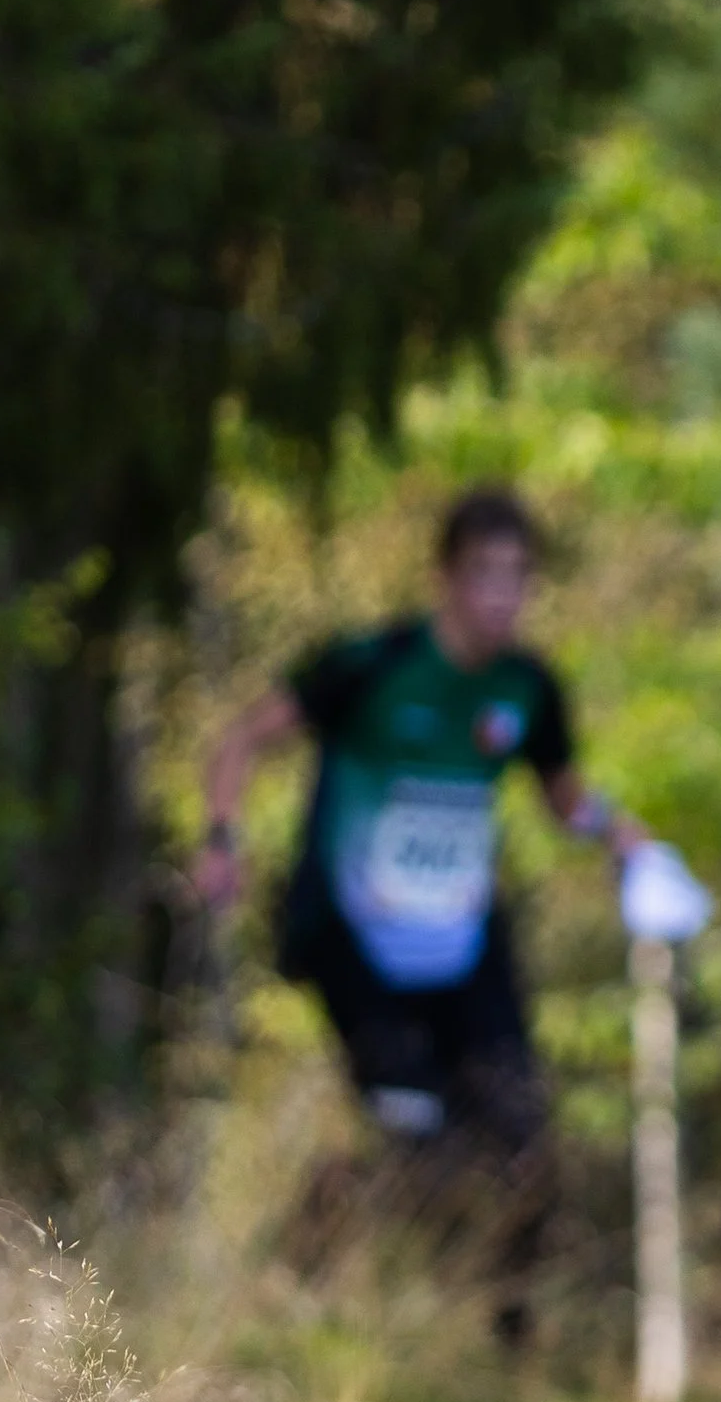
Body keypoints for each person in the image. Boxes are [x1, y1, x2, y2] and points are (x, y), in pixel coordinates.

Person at [196, 488, 643, 1291]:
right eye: (485, 576)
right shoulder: (374, 665)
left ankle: (512, 1347)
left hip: (464, 939)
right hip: (357, 935)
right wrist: (224, 840)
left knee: (520, 1139)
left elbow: (565, 798)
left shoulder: (527, 688)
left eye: (518, 578)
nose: (502, 597)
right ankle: (311, 1243)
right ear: (445, 578)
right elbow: (241, 741)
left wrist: (624, 841)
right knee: (418, 1138)